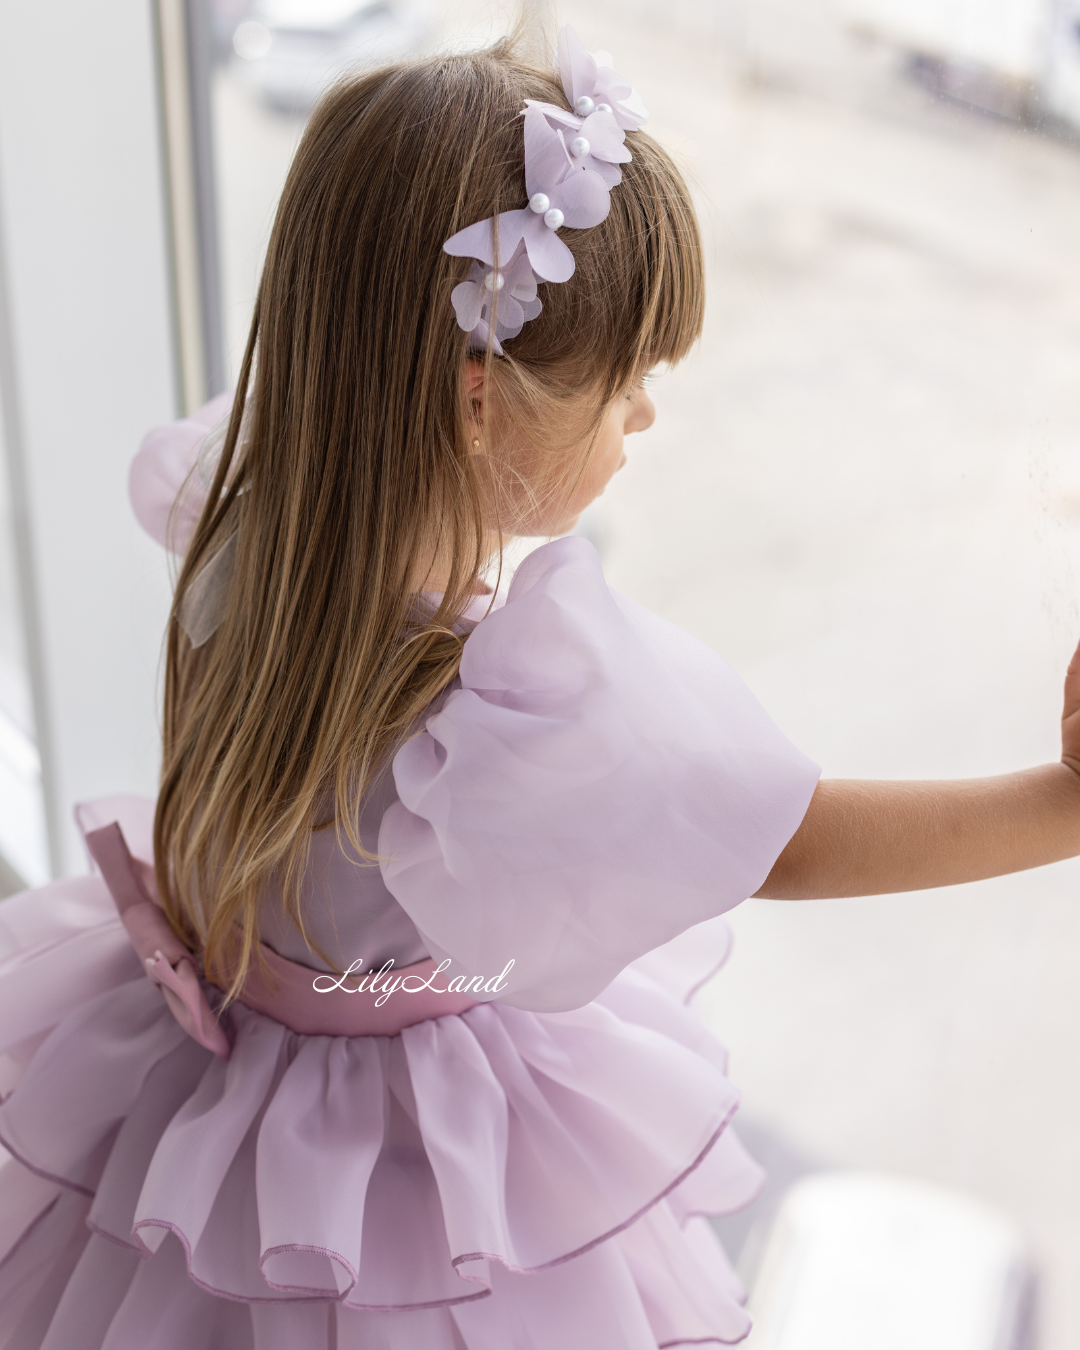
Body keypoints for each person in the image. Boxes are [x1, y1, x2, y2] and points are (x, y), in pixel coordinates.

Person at [2, 25, 1080, 1350]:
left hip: (191, 1097)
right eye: (626, 386)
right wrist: (1061, 805)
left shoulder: (249, 521)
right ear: (478, 401)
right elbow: (778, 838)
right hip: (383, 1174)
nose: (642, 420)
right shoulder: (471, 719)